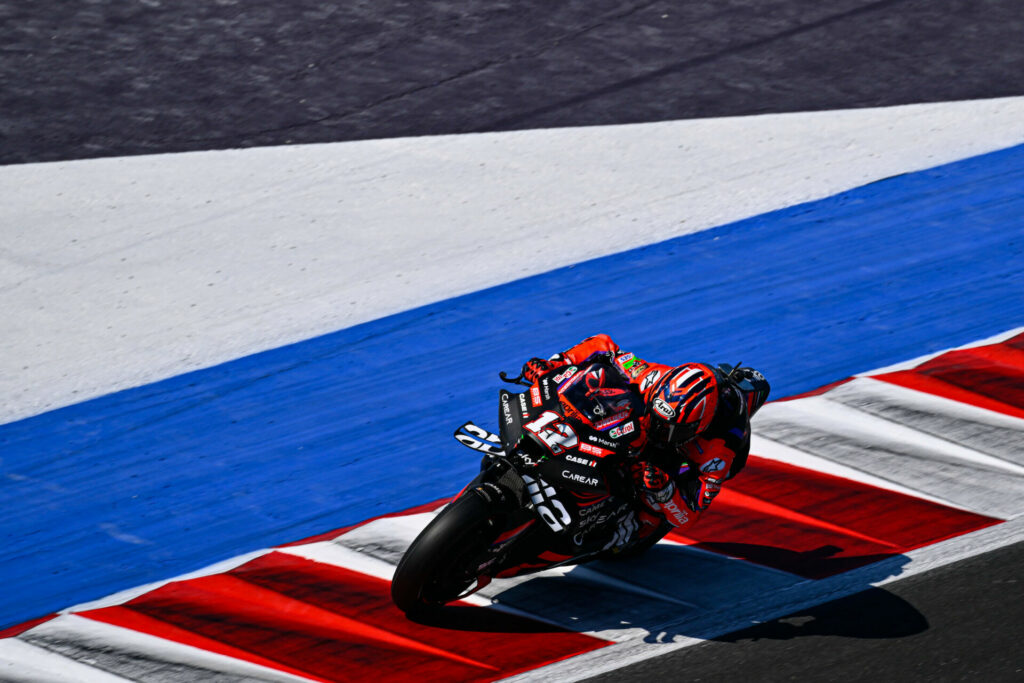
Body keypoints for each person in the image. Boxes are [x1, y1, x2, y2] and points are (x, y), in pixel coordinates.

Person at [520, 333, 770, 549]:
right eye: (660, 420)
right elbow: (603, 345)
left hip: (679, 459)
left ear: (698, 426)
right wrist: (557, 363)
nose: (662, 430)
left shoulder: (718, 453)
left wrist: (666, 490)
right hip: (642, 419)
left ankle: (623, 534)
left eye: (672, 428)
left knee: (650, 505)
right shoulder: (652, 376)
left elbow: (689, 515)